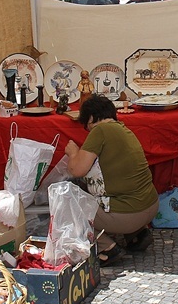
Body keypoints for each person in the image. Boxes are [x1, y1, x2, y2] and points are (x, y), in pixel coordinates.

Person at [65, 95, 158, 266]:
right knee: (121, 190)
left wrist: (73, 153)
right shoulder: (124, 130)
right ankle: (137, 235)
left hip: (129, 215)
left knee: (69, 205)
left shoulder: (100, 130)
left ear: (91, 118)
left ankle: (107, 248)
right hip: (150, 207)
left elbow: (77, 169)